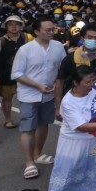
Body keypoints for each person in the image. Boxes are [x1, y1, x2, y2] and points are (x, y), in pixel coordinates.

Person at [11, 16, 66, 179]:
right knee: (28, 129)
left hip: (48, 95)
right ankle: (29, 162)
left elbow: (62, 67)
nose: (51, 32)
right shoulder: (25, 50)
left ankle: (38, 154)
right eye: (47, 30)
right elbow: (16, 74)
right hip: (29, 95)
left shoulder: (57, 46)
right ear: (36, 31)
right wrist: (37, 85)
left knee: (44, 125)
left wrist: (58, 84)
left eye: (52, 29)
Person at [0, 15, 29, 129]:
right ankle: (8, 120)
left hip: (23, 72)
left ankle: (27, 118)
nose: (14, 27)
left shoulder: (24, 37)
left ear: (20, 26)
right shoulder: (2, 41)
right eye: (10, 25)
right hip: (7, 74)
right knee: (7, 97)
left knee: (25, 96)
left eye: (16, 24)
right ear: (6, 27)